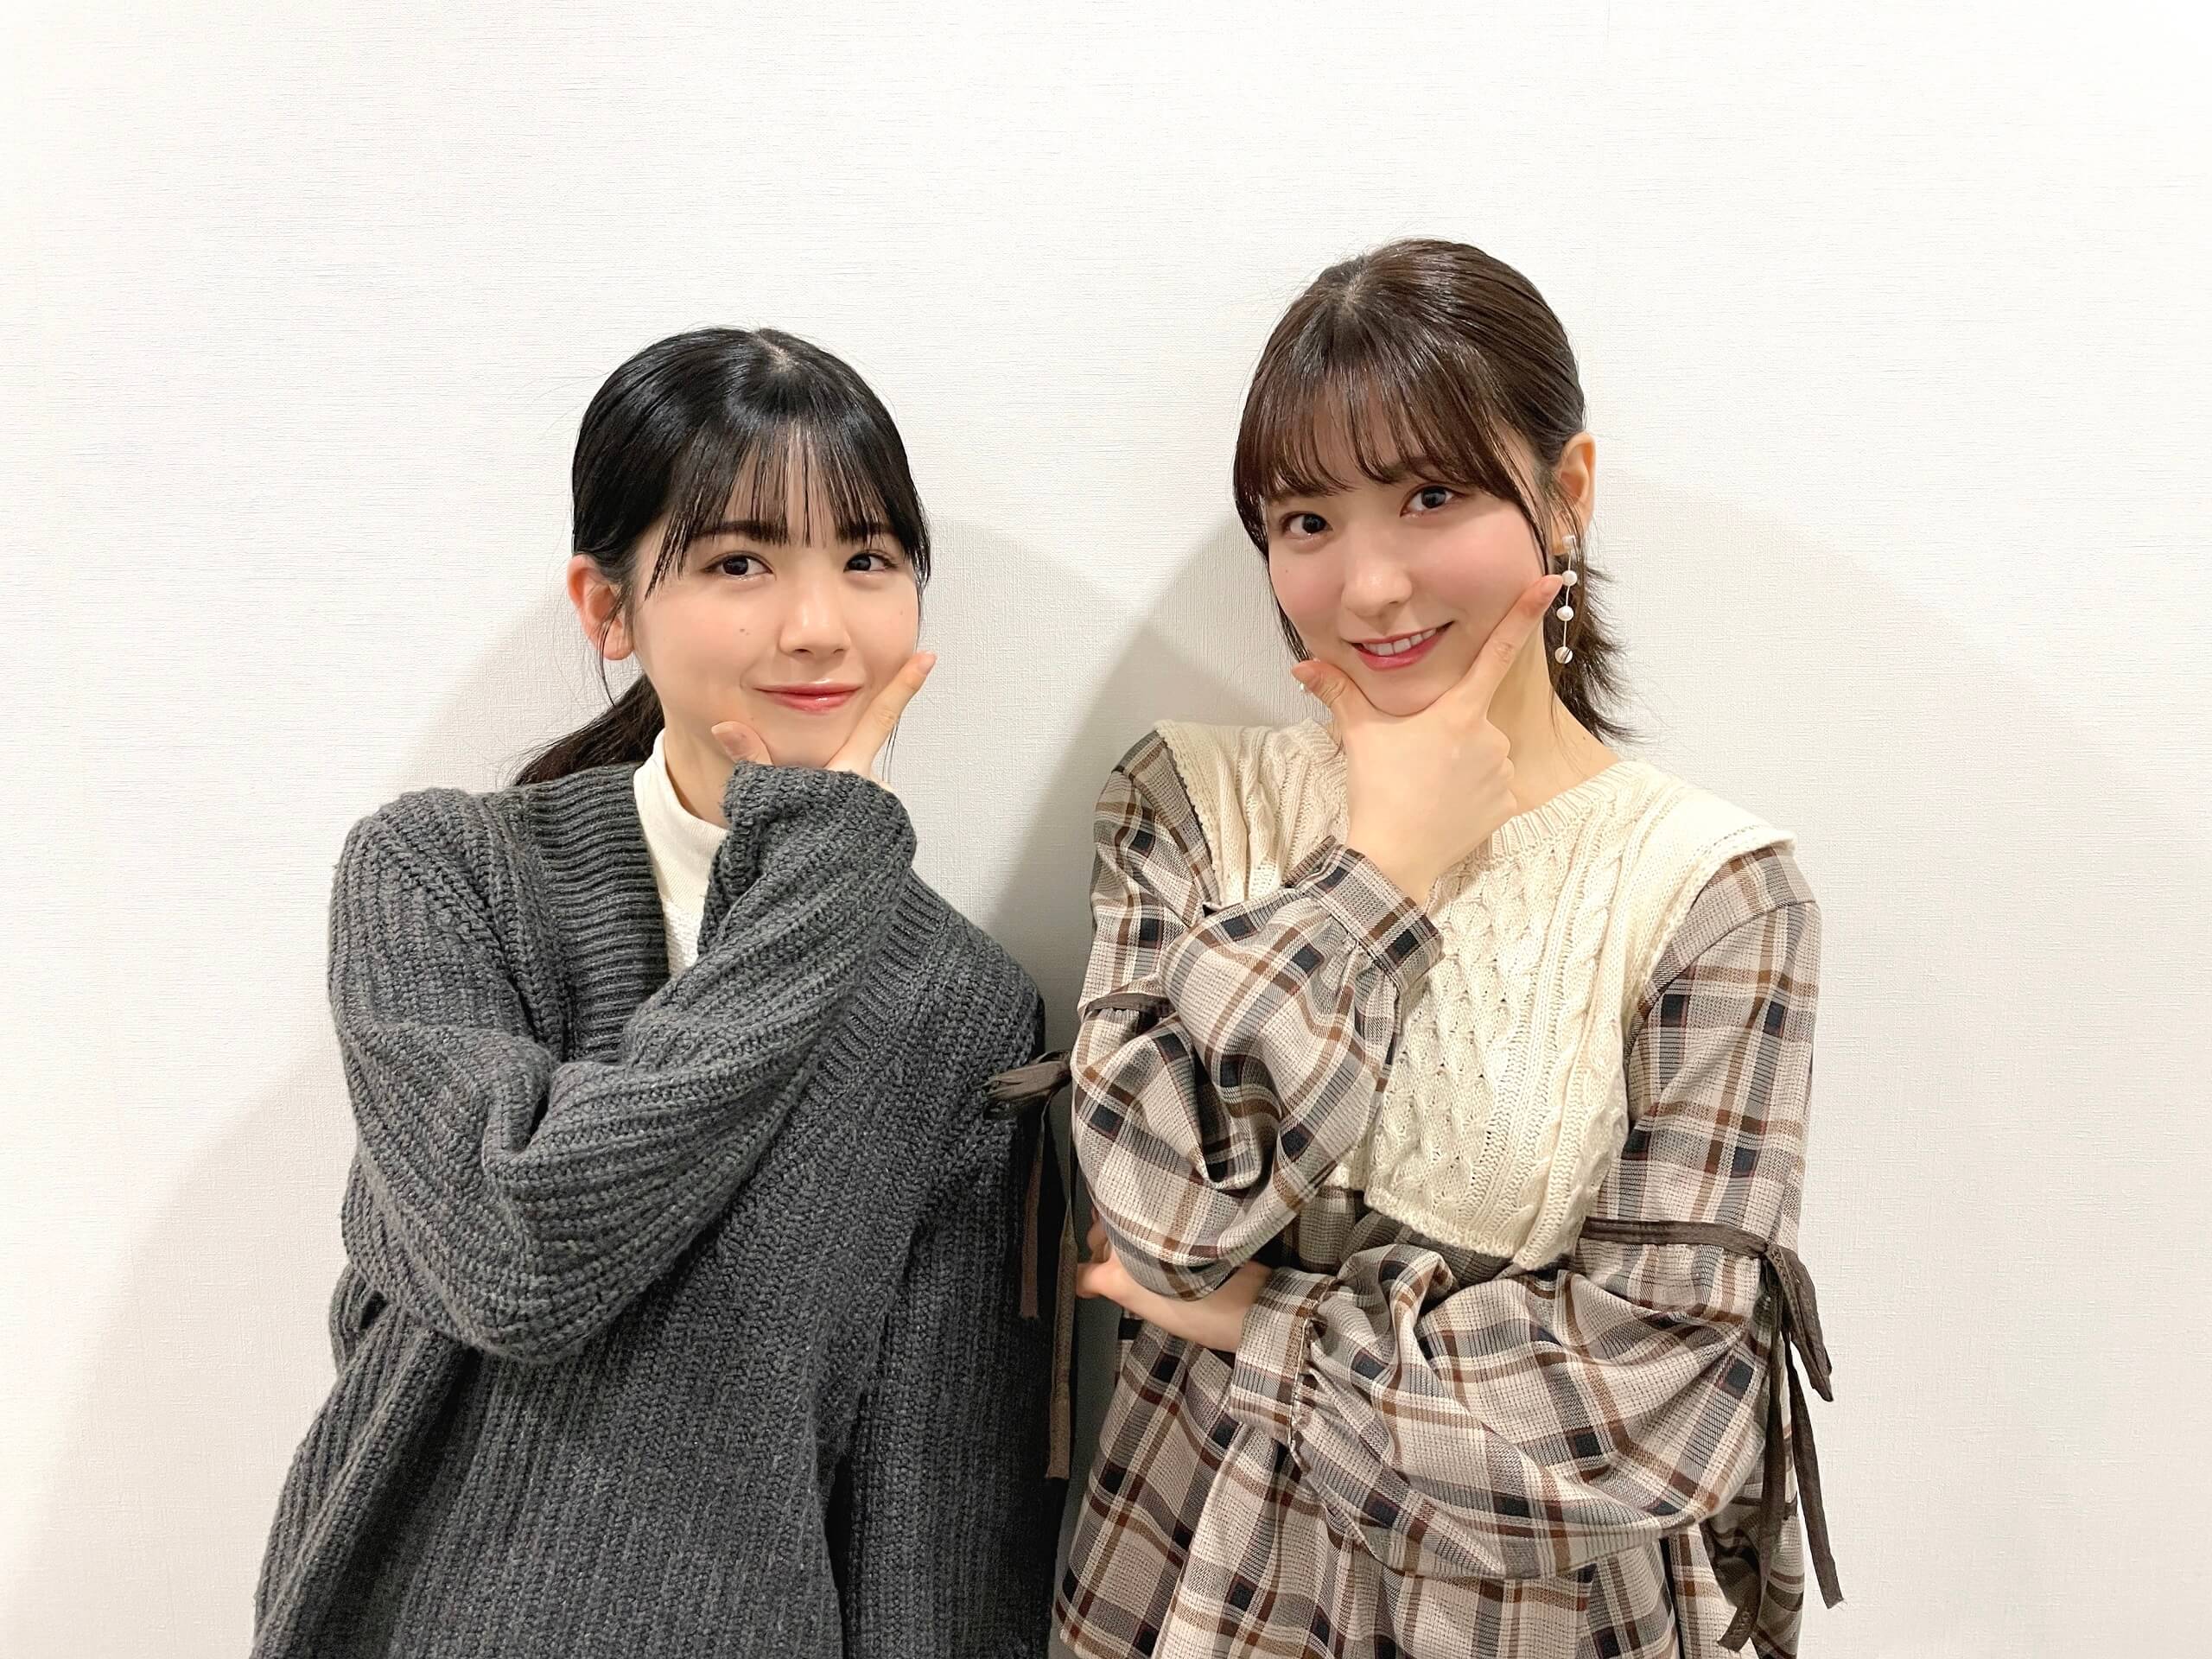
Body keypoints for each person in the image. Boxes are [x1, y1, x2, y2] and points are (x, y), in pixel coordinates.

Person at [1059, 240, 1840, 1658]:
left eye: (1432, 496)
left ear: (1568, 492)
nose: (1370, 584)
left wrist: (1264, 1324)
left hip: (1532, 1619)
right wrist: (1382, 874)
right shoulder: (1190, 803)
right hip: (1187, 1586)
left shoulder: (1714, 890)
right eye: (1307, 519)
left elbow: (1652, 1411)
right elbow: (1163, 1218)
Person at [252, 327, 1060, 1658]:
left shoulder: (958, 1005)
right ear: (607, 606)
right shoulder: (443, 875)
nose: (818, 624)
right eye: (740, 562)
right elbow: (519, 1254)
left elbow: (935, 1510)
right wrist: (823, 874)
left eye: (867, 559)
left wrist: (822, 867)